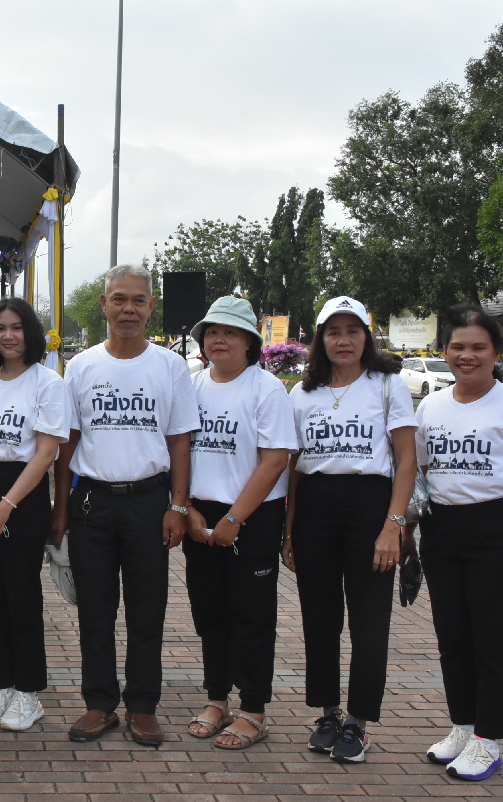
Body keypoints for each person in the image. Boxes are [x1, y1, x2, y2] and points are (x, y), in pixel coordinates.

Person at [50, 264, 199, 746]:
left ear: (151, 306)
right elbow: (68, 444)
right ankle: (99, 703)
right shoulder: (82, 366)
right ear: (104, 304)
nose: (128, 309)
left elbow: (179, 441)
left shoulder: (170, 367)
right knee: (94, 611)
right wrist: (61, 507)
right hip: (91, 501)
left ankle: (142, 706)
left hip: (149, 501)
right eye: (119, 299)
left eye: (138, 300)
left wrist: (178, 505)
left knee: (146, 610)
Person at [416, 304, 503, 781]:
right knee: (452, 636)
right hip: (442, 529)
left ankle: (488, 739)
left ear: (496, 352)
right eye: (457, 346)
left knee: (492, 638)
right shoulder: (430, 406)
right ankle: (464, 727)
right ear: (444, 350)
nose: (466, 355)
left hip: (498, 528)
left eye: (478, 347)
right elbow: (423, 472)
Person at [282, 296, 416, 763]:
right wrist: (289, 532)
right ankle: (328, 714)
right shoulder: (302, 395)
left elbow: (406, 461)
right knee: (319, 619)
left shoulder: (388, 385)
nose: (344, 340)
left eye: (353, 330)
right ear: (320, 338)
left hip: (371, 507)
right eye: (334, 331)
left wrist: (393, 525)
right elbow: (293, 469)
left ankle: (358, 722)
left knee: (369, 621)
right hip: (315, 508)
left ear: (366, 337)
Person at [182, 297, 296, 750]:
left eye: (230, 332)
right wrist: (185, 507)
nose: (219, 340)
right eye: (212, 332)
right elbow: (177, 451)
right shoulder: (192, 386)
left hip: (253, 516)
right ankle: (217, 700)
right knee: (209, 613)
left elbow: (274, 461)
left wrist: (234, 518)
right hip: (199, 513)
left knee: (251, 616)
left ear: (250, 342)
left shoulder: (266, 389)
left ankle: (253, 710)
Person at [0, 297, 67, 731]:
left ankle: (29, 691)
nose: (8, 336)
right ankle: (3, 684)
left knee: (21, 596)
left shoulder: (48, 383)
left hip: (23, 494)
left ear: (31, 333)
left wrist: (6, 505)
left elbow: (45, 454)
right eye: (0, 328)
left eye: (17, 327)